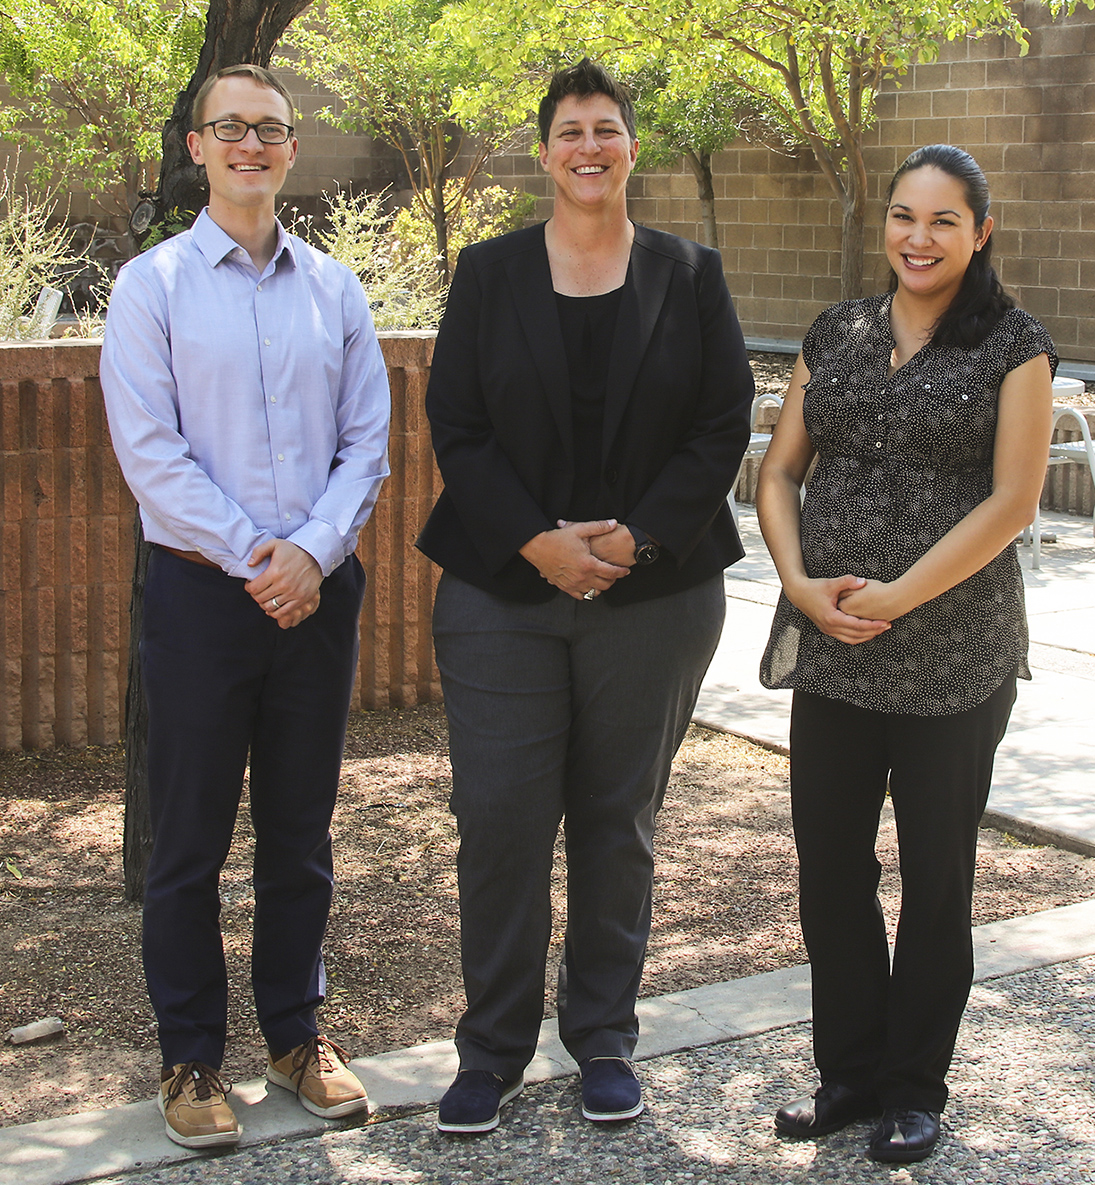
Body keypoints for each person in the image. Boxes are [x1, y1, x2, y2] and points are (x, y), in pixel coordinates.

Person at [416, 59, 753, 1134]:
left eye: (607, 129)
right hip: (499, 593)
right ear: (545, 150)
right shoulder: (489, 272)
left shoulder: (690, 275)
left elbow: (720, 422)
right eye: (570, 130)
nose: (589, 146)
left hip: (653, 595)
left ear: (631, 146)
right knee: (501, 823)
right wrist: (533, 540)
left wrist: (639, 536)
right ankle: (492, 1049)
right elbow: (457, 425)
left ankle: (603, 1038)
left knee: (619, 824)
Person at [100, 64, 390, 1149]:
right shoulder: (154, 287)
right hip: (200, 594)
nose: (251, 145)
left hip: (318, 592)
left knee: (301, 832)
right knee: (189, 839)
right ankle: (189, 1056)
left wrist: (310, 554)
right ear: (198, 147)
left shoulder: (338, 291)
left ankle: (295, 1033)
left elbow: (367, 443)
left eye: (270, 129)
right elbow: (150, 452)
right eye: (231, 128)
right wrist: (253, 557)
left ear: (291, 148)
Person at [757, 145, 1055, 1163]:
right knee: (830, 867)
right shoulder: (835, 332)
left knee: (937, 876)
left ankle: (914, 1084)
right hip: (833, 646)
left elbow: (1015, 501)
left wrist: (898, 596)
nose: (917, 238)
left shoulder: (1015, 346)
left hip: (955, 657)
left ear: (981, 233)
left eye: (941, 220)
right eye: (902, 217)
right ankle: (847, 1071)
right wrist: (799, 586)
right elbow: (779, 472)